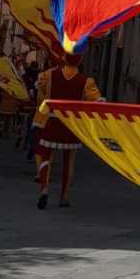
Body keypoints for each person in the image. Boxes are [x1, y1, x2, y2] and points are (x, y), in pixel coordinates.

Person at [32, 51, 102, 210]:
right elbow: (95, 101)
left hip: (51, 121)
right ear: (81, 61)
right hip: (71, 126)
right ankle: (64, 196)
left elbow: (40, 95)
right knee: (68, 163)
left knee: (45, 156)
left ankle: (44, 188)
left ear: (63, 58)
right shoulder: (86, 82)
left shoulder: (49, 76)